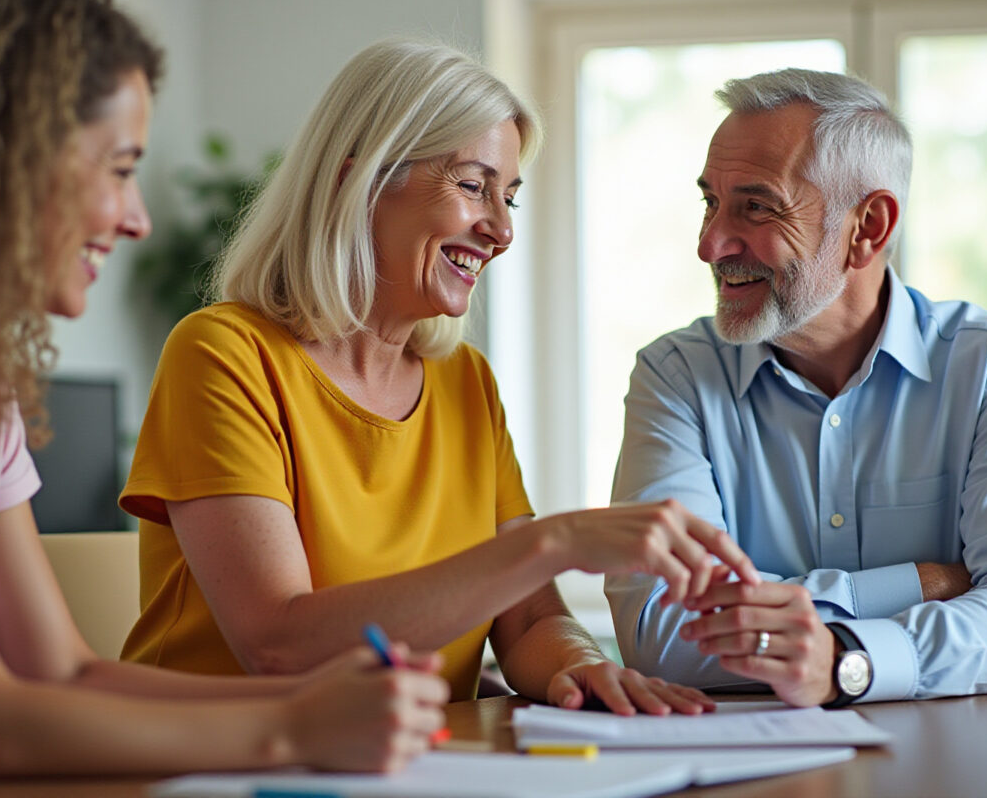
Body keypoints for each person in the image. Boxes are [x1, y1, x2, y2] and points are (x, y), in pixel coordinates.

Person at [0, 0, 448, 790]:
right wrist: (291, 727)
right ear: (5, 159)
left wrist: (322, 696)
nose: (137, 220)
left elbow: (60, 674)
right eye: (120, 170)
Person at [119, 38, 758, 715]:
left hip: (407, 764)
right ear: (354, 181)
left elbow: (531, 622)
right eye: (473, 185)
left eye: (508, 196)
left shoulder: (466, 383)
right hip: (217, 767)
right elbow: (280, 643)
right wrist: (556, 542)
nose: (501, 230)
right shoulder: (223, 354)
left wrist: (585, 666)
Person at [605, 68, 987, 707]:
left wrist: (846, 660)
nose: (710, 244)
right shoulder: (676, 378)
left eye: (755, 206)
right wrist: (918, 584)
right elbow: (661, 633)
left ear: (868, 227)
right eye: (710, 203)